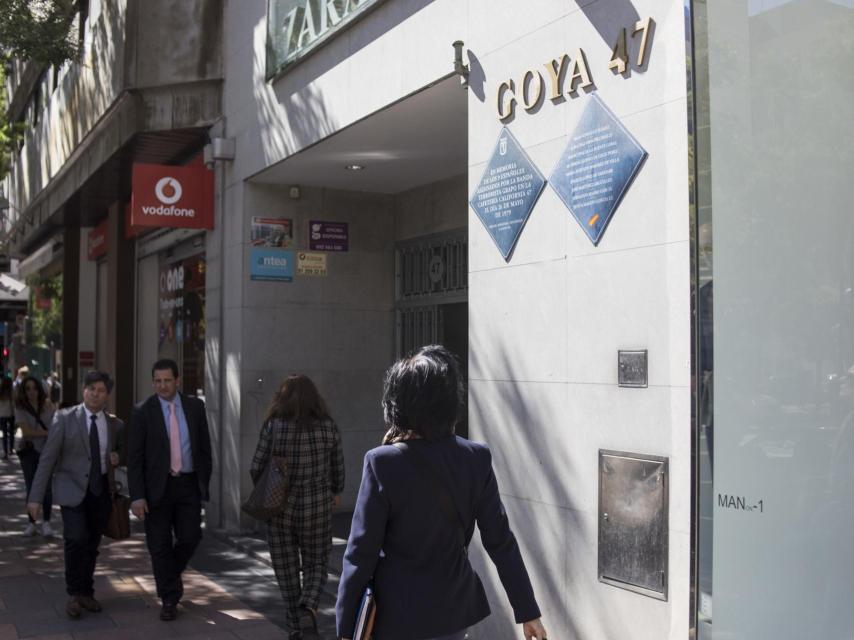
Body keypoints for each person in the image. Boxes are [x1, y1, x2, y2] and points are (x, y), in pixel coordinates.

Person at [335, 345, 549, 640]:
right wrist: (528, 611)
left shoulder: (382, 462)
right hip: (453, 611)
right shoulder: (476, 457)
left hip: (396, 616)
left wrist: (347, 628)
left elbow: (360, 555)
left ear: (400, 403)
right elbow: (501, 542)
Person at [250, 374, 345, 640]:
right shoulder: (329, 426)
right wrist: (336, 490)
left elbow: (256, 465)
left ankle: (295, 627)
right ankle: (308, 607)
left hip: (279, 507)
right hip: (317, 507)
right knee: (317, 562)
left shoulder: (274, 426)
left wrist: (268, 485)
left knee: (286, 568)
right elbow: (338, 466)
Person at [26, 371, 122, 619]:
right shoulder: (65, 418)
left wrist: (116, 458)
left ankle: (85, 592)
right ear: (83, 390)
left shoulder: (114, 424)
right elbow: (47, 460)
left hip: (100, 492)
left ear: (107, 395)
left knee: (91, 544)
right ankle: (74, 593)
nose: (94, 393)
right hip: (71, 490)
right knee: (76, 538)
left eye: (100, 390)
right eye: (90, 388)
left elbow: (121, 452)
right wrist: (35, 498)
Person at [128, 358, 212, 622]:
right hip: (156, 488)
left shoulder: (195, 407)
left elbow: (204, 448)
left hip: (187, 485)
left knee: (190, 537)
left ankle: (169, 576)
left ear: (178, 380)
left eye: (167, 380)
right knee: (159, 545)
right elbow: (135, 458)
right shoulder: (143, 411)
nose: (162, 386)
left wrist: (203, 481)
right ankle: (169, 598)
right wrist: (137, 496)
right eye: (157, 381)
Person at [15, 375, 56, 536]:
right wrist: (47, 432)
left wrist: (47, 434)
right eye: (28, 389)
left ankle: (46, 522)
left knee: (46, 488)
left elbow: (56, 425)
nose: (32, 392)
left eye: (34, 388)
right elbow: (26, 432)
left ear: (40, 390)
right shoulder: (21, 408)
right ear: (24, 392)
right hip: (29, 452)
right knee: (31, 486)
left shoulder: (48, 406)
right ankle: (32, 523)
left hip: (46, 451)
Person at [0, 376, 14, 459]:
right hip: (11, 414)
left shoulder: (1, 392)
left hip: (2, 415)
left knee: (4, 434)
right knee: (11, 432)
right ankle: (11, 449)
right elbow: (13, 404)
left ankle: (5, 452)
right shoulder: (11, 392)